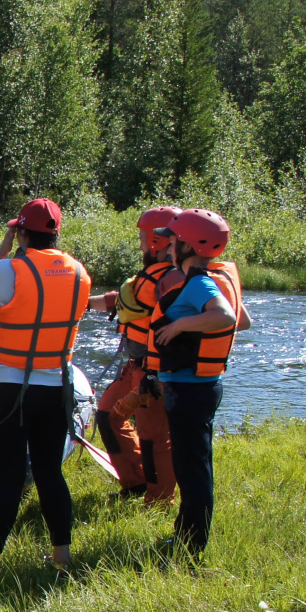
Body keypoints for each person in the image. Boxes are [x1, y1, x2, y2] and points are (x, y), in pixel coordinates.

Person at [0, 197, 90, 575]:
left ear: (20, 232)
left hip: (7, 389)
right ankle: (62, 557)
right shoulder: (79, 272)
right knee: (50, 473)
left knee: (10, 476)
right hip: (55, 388)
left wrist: (0, 253)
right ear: (56, 233)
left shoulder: (7, 270)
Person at [146, 209, 252, 557]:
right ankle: (186, 533)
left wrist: (179, 326)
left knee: (191, 468)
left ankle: (191, 544)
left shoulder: (200, 283)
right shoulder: (217, 279)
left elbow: (226, 316)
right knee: (193, 464)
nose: (168, 247)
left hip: (190, 389)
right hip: (203, 385)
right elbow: (244, 321)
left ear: (187, 246)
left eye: (173, 241)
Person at [88, 206, 177, 503]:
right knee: (107, 415)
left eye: (142, 238)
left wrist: (155, 374)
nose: (140, 245)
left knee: (154, 438)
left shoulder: (172, 279)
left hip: (154, 371)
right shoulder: (153, 276)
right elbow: (124, 301)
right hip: (136, 367)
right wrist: (80, 303)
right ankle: (136, 484)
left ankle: (159, 502)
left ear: (157, 241)